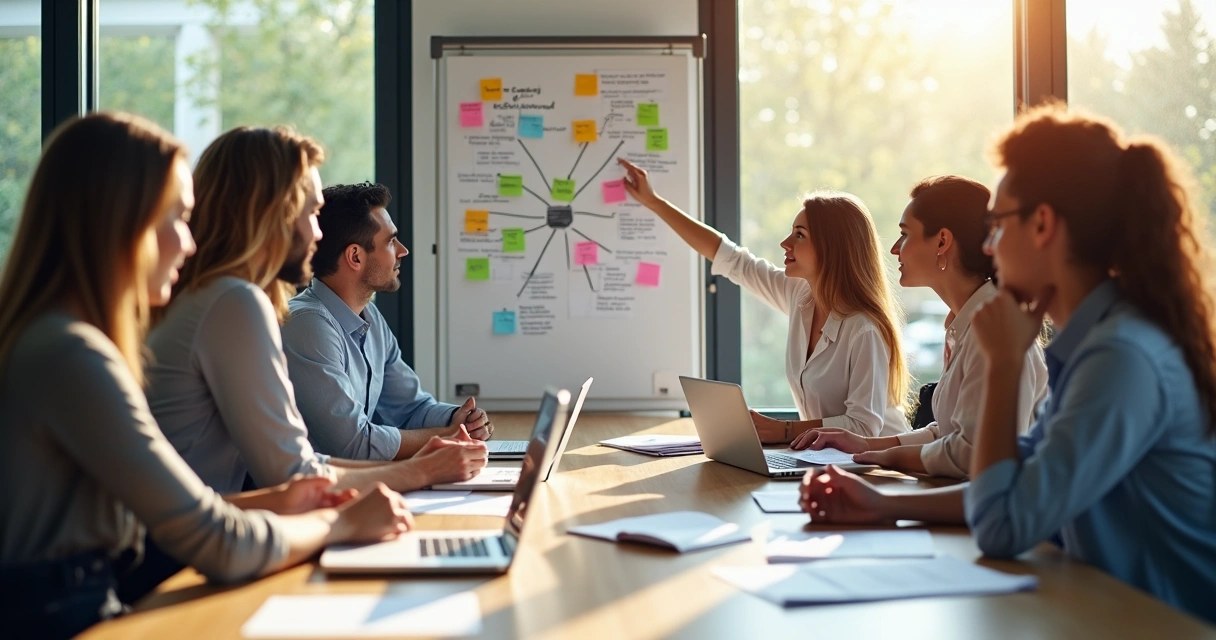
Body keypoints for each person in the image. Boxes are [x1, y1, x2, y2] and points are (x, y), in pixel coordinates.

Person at [0, 113, 413, 638]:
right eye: (173, 219)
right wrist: (343, 521)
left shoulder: (51, 341)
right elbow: (216, 542)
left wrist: (278, 500)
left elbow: (154, 514)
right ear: (120, 223)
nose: (188, 243)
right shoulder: (71, 354)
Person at [799, 104, 1216, 623]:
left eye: (997, 224)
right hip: (1105, 612)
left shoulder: (1120, 358)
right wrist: (882, 505)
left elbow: (1003, 524)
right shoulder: (1094, 346)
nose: (990, 245)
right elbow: (1014, 479)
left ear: (1042, 224)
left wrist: (1003, 365)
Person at [146, 126, 487, 498]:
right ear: (271, 215)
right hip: (177, 549)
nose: (319, 233)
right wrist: (420, 469)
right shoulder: (234, 304)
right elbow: (293, 472)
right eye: (311, 213)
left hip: (205, 529)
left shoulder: (219, 298)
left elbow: (300, 464)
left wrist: (428, 455)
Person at [619, 158, 909, 441]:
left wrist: (783, 431)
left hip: (882, 471)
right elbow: (731, 258)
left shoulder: (864, 329)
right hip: (827, 461)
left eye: (800, 235)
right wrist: (653, 202)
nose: (785, 243)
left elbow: (863, 426)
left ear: (832, 248)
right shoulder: (800, 296)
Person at [791, 176, 1048, 478]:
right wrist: (864, 446)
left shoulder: (994, 329)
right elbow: (947, 433)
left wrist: (880, 458)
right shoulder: (963, 323)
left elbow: (969, 455)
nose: (895, 250)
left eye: (905, 235)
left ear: (942, 241)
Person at [282, 182, 493, 460]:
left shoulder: (370, 318)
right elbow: (355, 445)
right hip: (311, 497)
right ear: (355, 256)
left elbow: (409, 409)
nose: (403, 250)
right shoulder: (307, 325)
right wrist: (449, 435)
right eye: (391, 241)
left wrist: (461, 418)